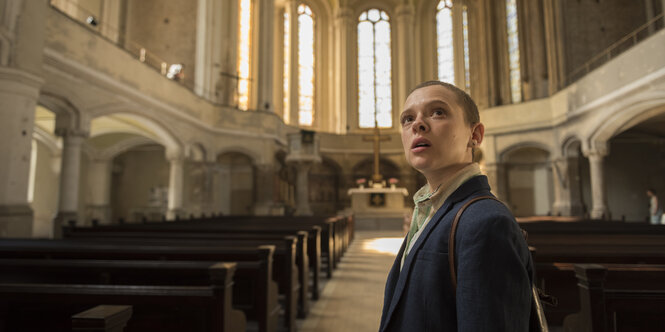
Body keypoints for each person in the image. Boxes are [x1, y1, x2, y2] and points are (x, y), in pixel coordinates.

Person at [379, 81, 533, 331]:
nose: (417, 124)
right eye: (407, 119)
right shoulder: (431, 208)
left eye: (438, 112)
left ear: (475, 135)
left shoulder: (487, 223)